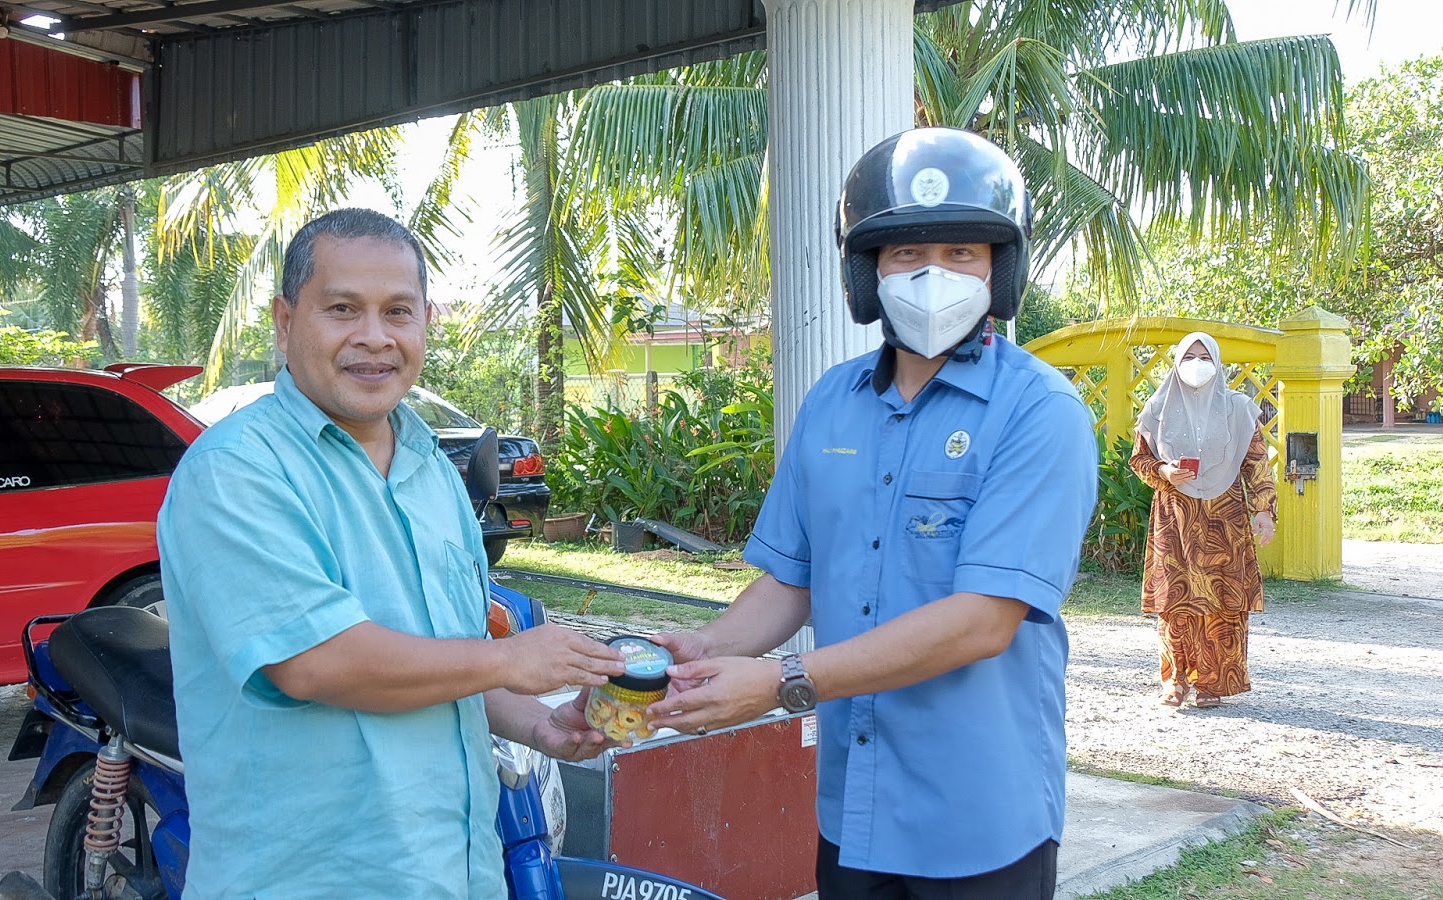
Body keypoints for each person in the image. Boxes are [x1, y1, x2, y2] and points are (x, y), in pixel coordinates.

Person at [646, 129, 1097, 899]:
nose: (932, 275)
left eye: (962, 254)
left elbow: (983, 620)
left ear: (1000, 268)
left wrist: (783, 680)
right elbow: (794, 579)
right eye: (904, 253)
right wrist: (705, 646)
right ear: (867, 272)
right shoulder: (831, 401)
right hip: (853, 811)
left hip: (977, 821)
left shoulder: (1039, 413)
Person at [156, 208, 628, 899]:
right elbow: (314, 661)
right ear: (286, 322)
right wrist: (511, 659)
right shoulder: (235, 470)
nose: (374, 338)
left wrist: (541, 724)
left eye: (398, 312)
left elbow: (447, 654)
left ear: (426, 323)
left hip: (453, 872)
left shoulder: (430, 467)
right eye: (342, 309)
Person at [1131, 332, 1277, 709]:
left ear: (1217, 361)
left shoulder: (1238, 408)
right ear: (1177, 363)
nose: (1196, 365)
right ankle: (1175, 682)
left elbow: (1256, 462)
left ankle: (1213, 682)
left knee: (1221, 600)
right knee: (1176, 600)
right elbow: (1140, 460)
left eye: (1204, 356)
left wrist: (1263, 511)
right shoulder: (1157, 408)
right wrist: (1163, 470)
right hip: (1174, 516)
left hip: (1223, 517)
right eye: (1189, 357)